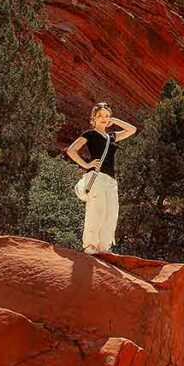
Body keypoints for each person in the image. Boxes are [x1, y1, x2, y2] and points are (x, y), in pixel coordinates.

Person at [65, 102, 137, 254]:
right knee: (97, 210)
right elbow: (71, 150)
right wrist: (86, 164)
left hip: (111, 180)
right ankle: (90, 246)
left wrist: (114, 120)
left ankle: (104, 247)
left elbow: (132, 130)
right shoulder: (89, 134)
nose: (104, 118)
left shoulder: (112, 137)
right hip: (97, 177)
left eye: (106, 116)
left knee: (111, 213)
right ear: (94, 118)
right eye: (100, 116)